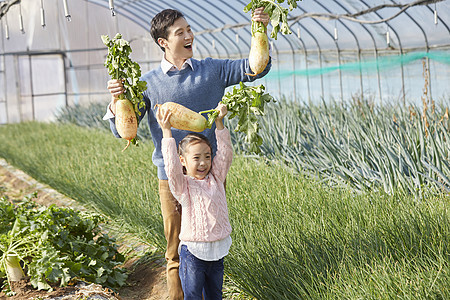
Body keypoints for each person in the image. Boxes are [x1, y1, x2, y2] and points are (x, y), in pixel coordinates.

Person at [104, 7, 271, 300]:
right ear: (163, 42)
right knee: (176, 250)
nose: (189, 35)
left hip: (209, 176)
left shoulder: (213, 70)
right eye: (180, 32)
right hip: (171, 179)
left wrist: (260, 29)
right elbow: (124, 131)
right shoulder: (148, 84)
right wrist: (118, 100)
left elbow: (256, 68)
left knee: (209, 246)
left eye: (189, 29)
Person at [156, 103, 231, 299]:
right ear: (183, 161)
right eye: (196, 158)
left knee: (215, 294)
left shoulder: (216, 178)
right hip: (193, 253)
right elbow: (171, 168)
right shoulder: (184, 186)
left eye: (207, 157)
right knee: (193, 295)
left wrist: (219, 123)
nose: (203, 162)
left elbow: (225, 155)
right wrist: (166, 132)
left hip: (217, 251)